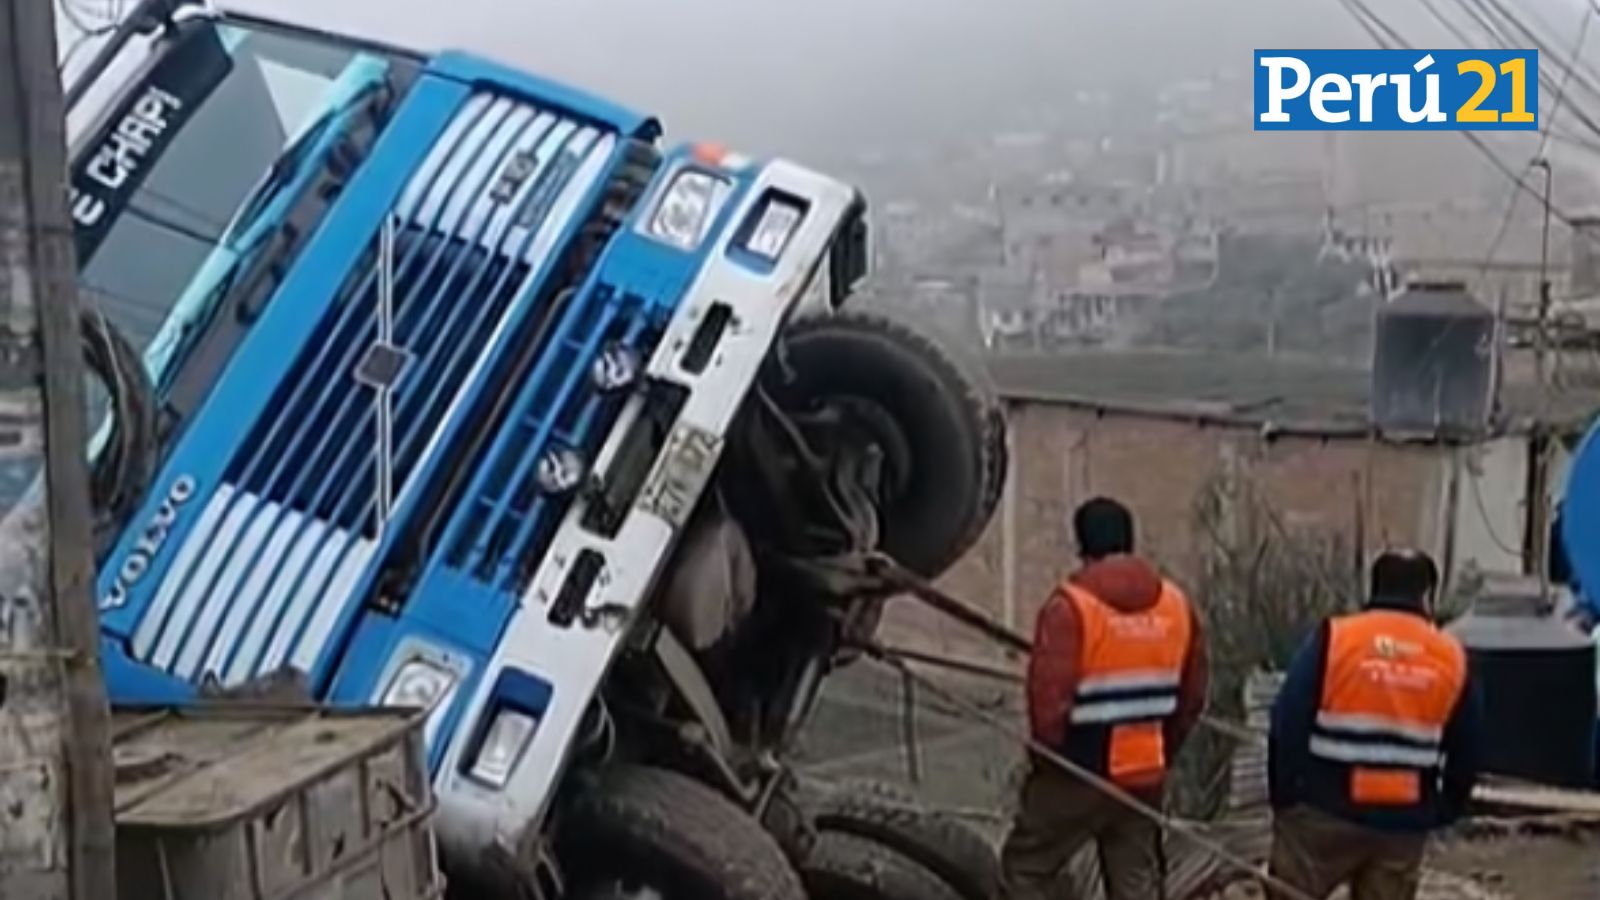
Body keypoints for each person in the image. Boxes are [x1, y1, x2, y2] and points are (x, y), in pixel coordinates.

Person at [1001, 497, 1210, 900]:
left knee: (1026, 869)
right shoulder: (1177, 606)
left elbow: (1048, 703)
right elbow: (1193, 695)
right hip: (1143, 776)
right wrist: (1163, 750)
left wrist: (1049, 762)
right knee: (1137, 884)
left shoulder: (1070, 608)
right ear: (1130, 540)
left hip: (1076, 771)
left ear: (1082, 546)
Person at [1267, 550, 1482, 900]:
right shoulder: (1451, 656)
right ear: (1428, 596)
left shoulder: (1335, 638)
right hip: (1401, 821)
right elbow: (1467, 747)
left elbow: (1287, 720)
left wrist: (1286, 795)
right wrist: (1444, 808)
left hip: (1323, 810)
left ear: (1374, 585)